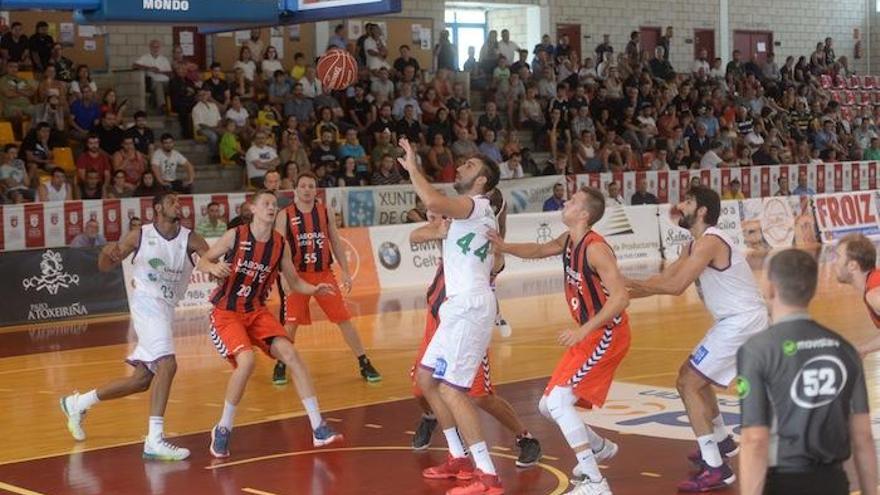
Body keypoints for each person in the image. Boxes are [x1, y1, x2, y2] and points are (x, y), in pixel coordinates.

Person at [625, 185, 769, 492]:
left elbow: (675, 287)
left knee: (688, 382)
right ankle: (721, 440)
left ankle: (717, 468)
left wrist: (621, 283)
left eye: (687, 201)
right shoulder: (693, 246)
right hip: (734, 321)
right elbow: (661, 280)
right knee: (690, 378)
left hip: (743, 321)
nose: (680, 206)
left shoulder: (711, 241)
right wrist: (619, 295)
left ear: (701, 210)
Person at [489, 186, 630, 495]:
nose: (566, 202)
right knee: (545, 406)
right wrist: (503, 245)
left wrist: (583, 329)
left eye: (573, 200)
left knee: (557, 402)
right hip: (589, 334)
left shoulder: (596, 249)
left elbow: (621, 297)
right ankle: (599, 448)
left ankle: (595, 481)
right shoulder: (569, 241)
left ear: (584, 214)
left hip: (606, 334)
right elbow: (538, 251)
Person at [60, 192, 209, 461]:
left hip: (165, 308)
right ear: (157, 209)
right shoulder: (139, 235)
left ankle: (77, 403)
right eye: (173, 201)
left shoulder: (192, 239)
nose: (179, 204)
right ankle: (154, 439)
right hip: (145, 303)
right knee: (168, 364)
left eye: (180, 201)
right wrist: (107, 254)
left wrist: (218, 268)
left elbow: (211, 263)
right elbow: (106, 266)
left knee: (141, 381)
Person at [197, 190, 343, 458]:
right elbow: (203, 259)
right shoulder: (236, 236)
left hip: (256, 312)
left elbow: (295, 281)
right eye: (265, 203)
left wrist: (313, 289)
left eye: (274, 205)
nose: (271, 208)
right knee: (247, 362)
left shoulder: (280, 244)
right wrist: (212, 268)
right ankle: (223, 427)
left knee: (291, 355)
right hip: (226, 313)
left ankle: (318, 427)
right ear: (252, 208)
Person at [398, 137, 504, 494]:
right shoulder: (468, 213)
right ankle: (459, 458)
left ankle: (488, 475)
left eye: (470, 166)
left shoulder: (476, 205)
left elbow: (431, 200)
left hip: (470, 305)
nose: (460, 167)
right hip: (457, 306)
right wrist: (438, 230)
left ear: (482, 182)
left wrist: (413, 165)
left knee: (453, 390)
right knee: (427, 381)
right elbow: (424, 227)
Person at [408, 199, 543, 470]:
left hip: (467, 325)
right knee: (421, 386)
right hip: (437, 322)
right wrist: (435, 226)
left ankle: (525, 438)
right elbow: (416, 234)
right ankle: (434, 419)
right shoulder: (453, 239)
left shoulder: (486, 251)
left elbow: (496, 257)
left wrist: (498, 240)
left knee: (480, 395)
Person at [738, 249, 877, 495]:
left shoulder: (756, 350)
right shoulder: (844, 349)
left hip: (783, 482)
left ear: (770, 288)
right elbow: (863, 437)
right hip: (833, 482)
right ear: (811, 290)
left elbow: (755, 440)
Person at [272, 172, 382, 384]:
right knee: (290, 323)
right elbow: (278, 247)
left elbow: (336, 242)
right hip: (297, 276)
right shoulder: (285, 214)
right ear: (296, 189)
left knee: (343, 319)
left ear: (316, 190)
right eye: (302, 186)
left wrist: (346, 271)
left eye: (311, 186)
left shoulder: (324, 212)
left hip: (323, 274)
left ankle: (364, 362)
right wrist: (283, 275)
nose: (306, 190)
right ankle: (281, 364)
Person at [833, 234, 880, 356]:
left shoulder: (874, 295)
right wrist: (862, 349)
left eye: (837, 257)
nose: (835, 263)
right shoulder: (873, 283)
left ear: (852, 266)